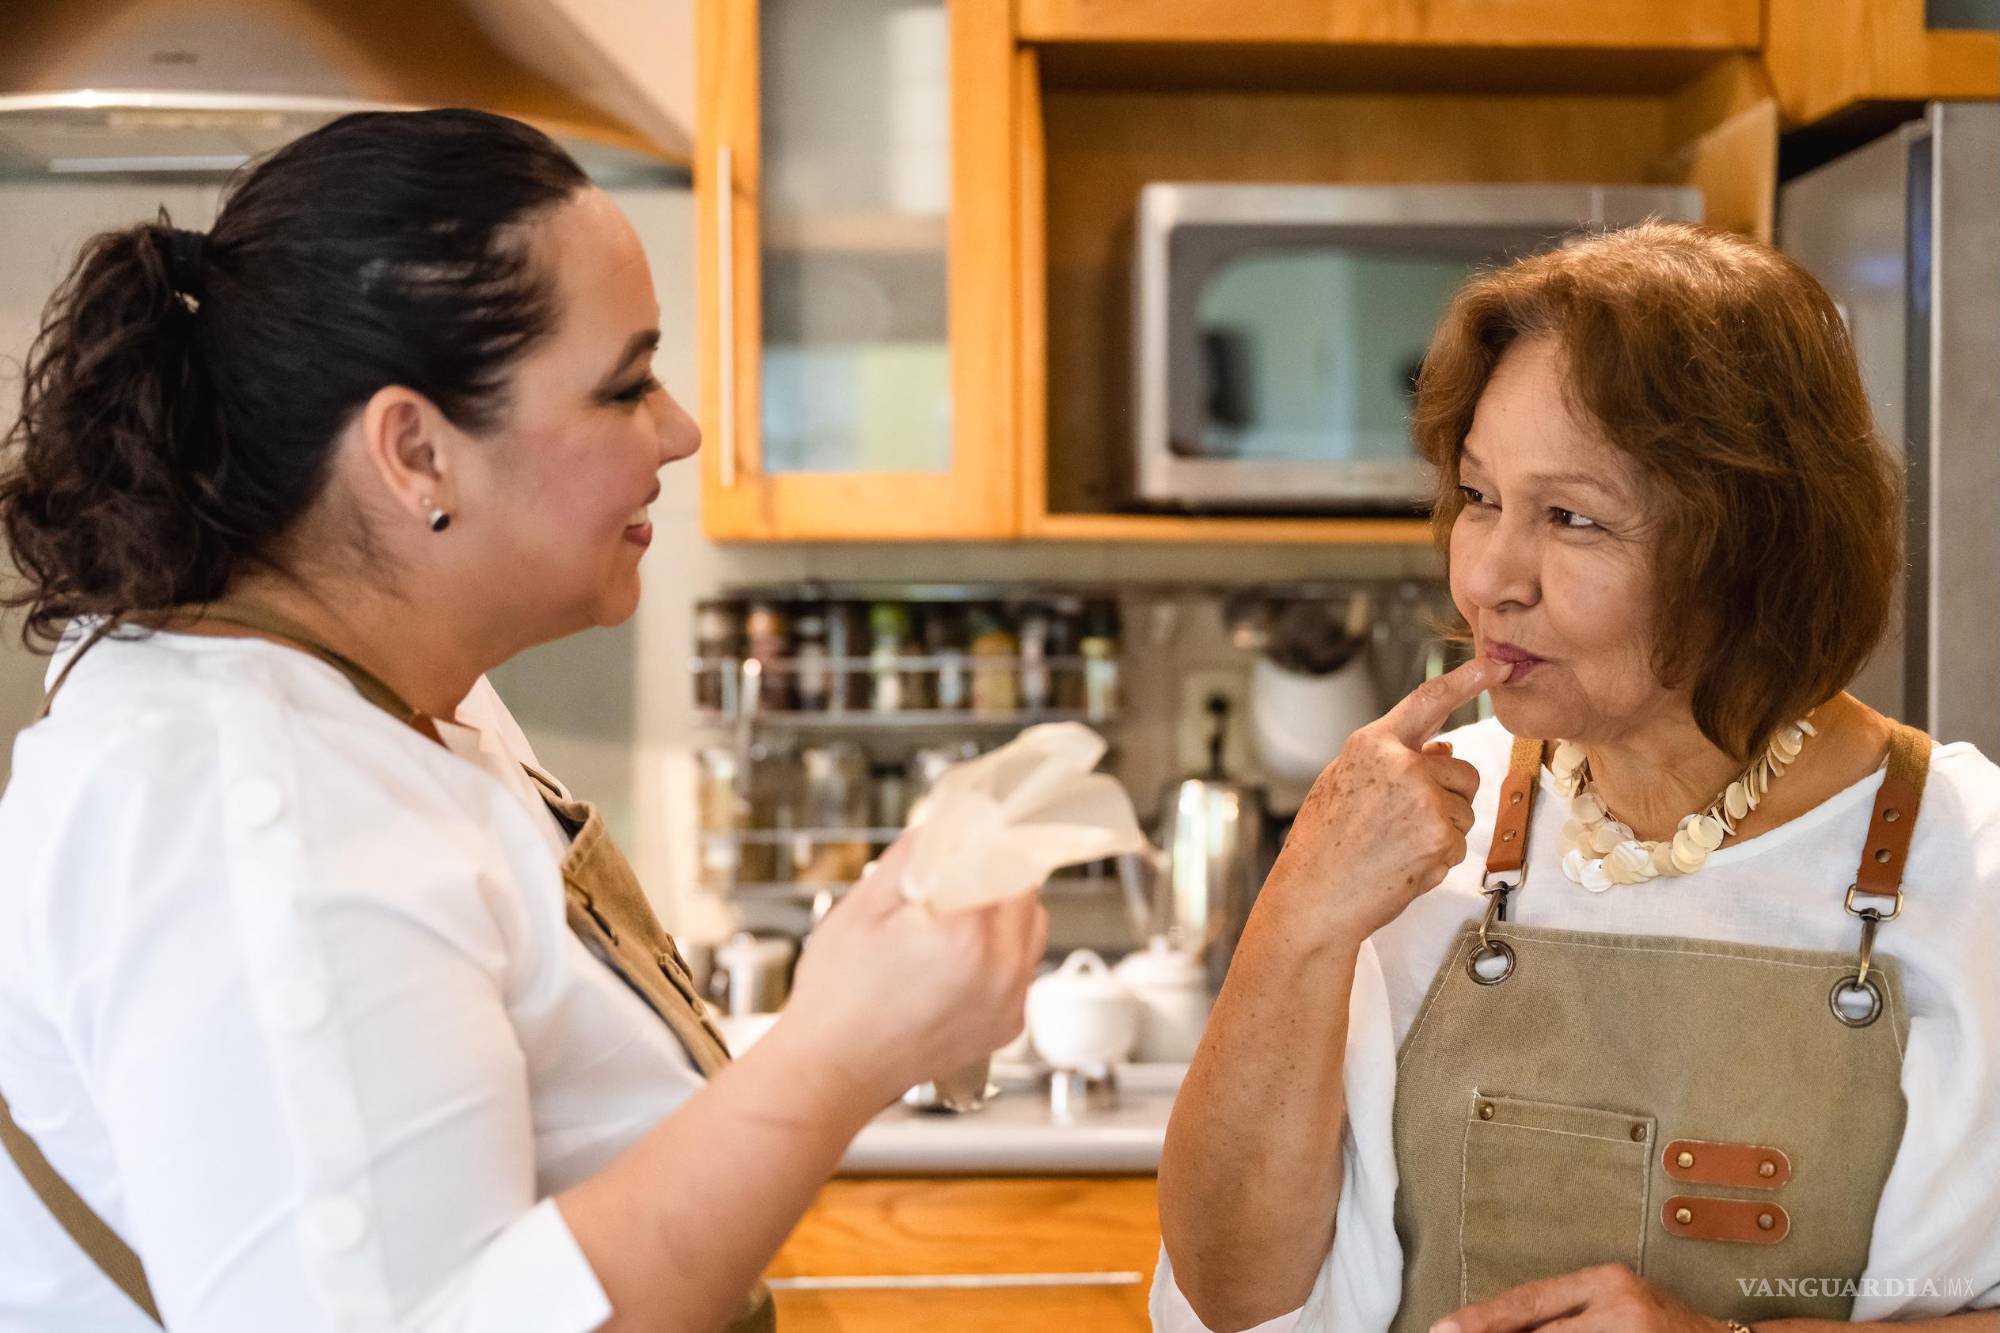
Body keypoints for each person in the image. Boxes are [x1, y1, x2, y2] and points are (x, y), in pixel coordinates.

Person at [0, 109, 1046, 1332]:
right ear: (417, 452)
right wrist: (835, 1055)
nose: (679, 430)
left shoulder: (397, 707)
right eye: (623, 386)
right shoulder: (256, 818)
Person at [1154, 223, 2000, 1333]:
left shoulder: (1968, 867)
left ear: (1750, 547)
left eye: (1570, 517)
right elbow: (1229, 1298)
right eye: (1476, 496)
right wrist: (1299, 909)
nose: (1490, 577)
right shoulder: (1414, 837)